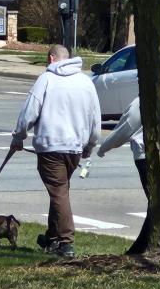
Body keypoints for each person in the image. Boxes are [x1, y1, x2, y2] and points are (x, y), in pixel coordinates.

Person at [10, 44, 101, 258]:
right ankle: (51, 237)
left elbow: (29, 113)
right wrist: (90, 145)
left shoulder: (47, 79)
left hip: (51, 147)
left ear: (51, 58)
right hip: (74, 148)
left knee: (59, 192)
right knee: (59, 190)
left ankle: (66, 242)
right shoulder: (85, 82)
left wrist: (18, 137)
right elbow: (95, 120)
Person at [97, 96, 149, 254]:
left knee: (156, 204)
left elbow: (126, 128)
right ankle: (141, 247)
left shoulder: (142, 100)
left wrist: (103, 147)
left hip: (146, 156)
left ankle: (140, 248)